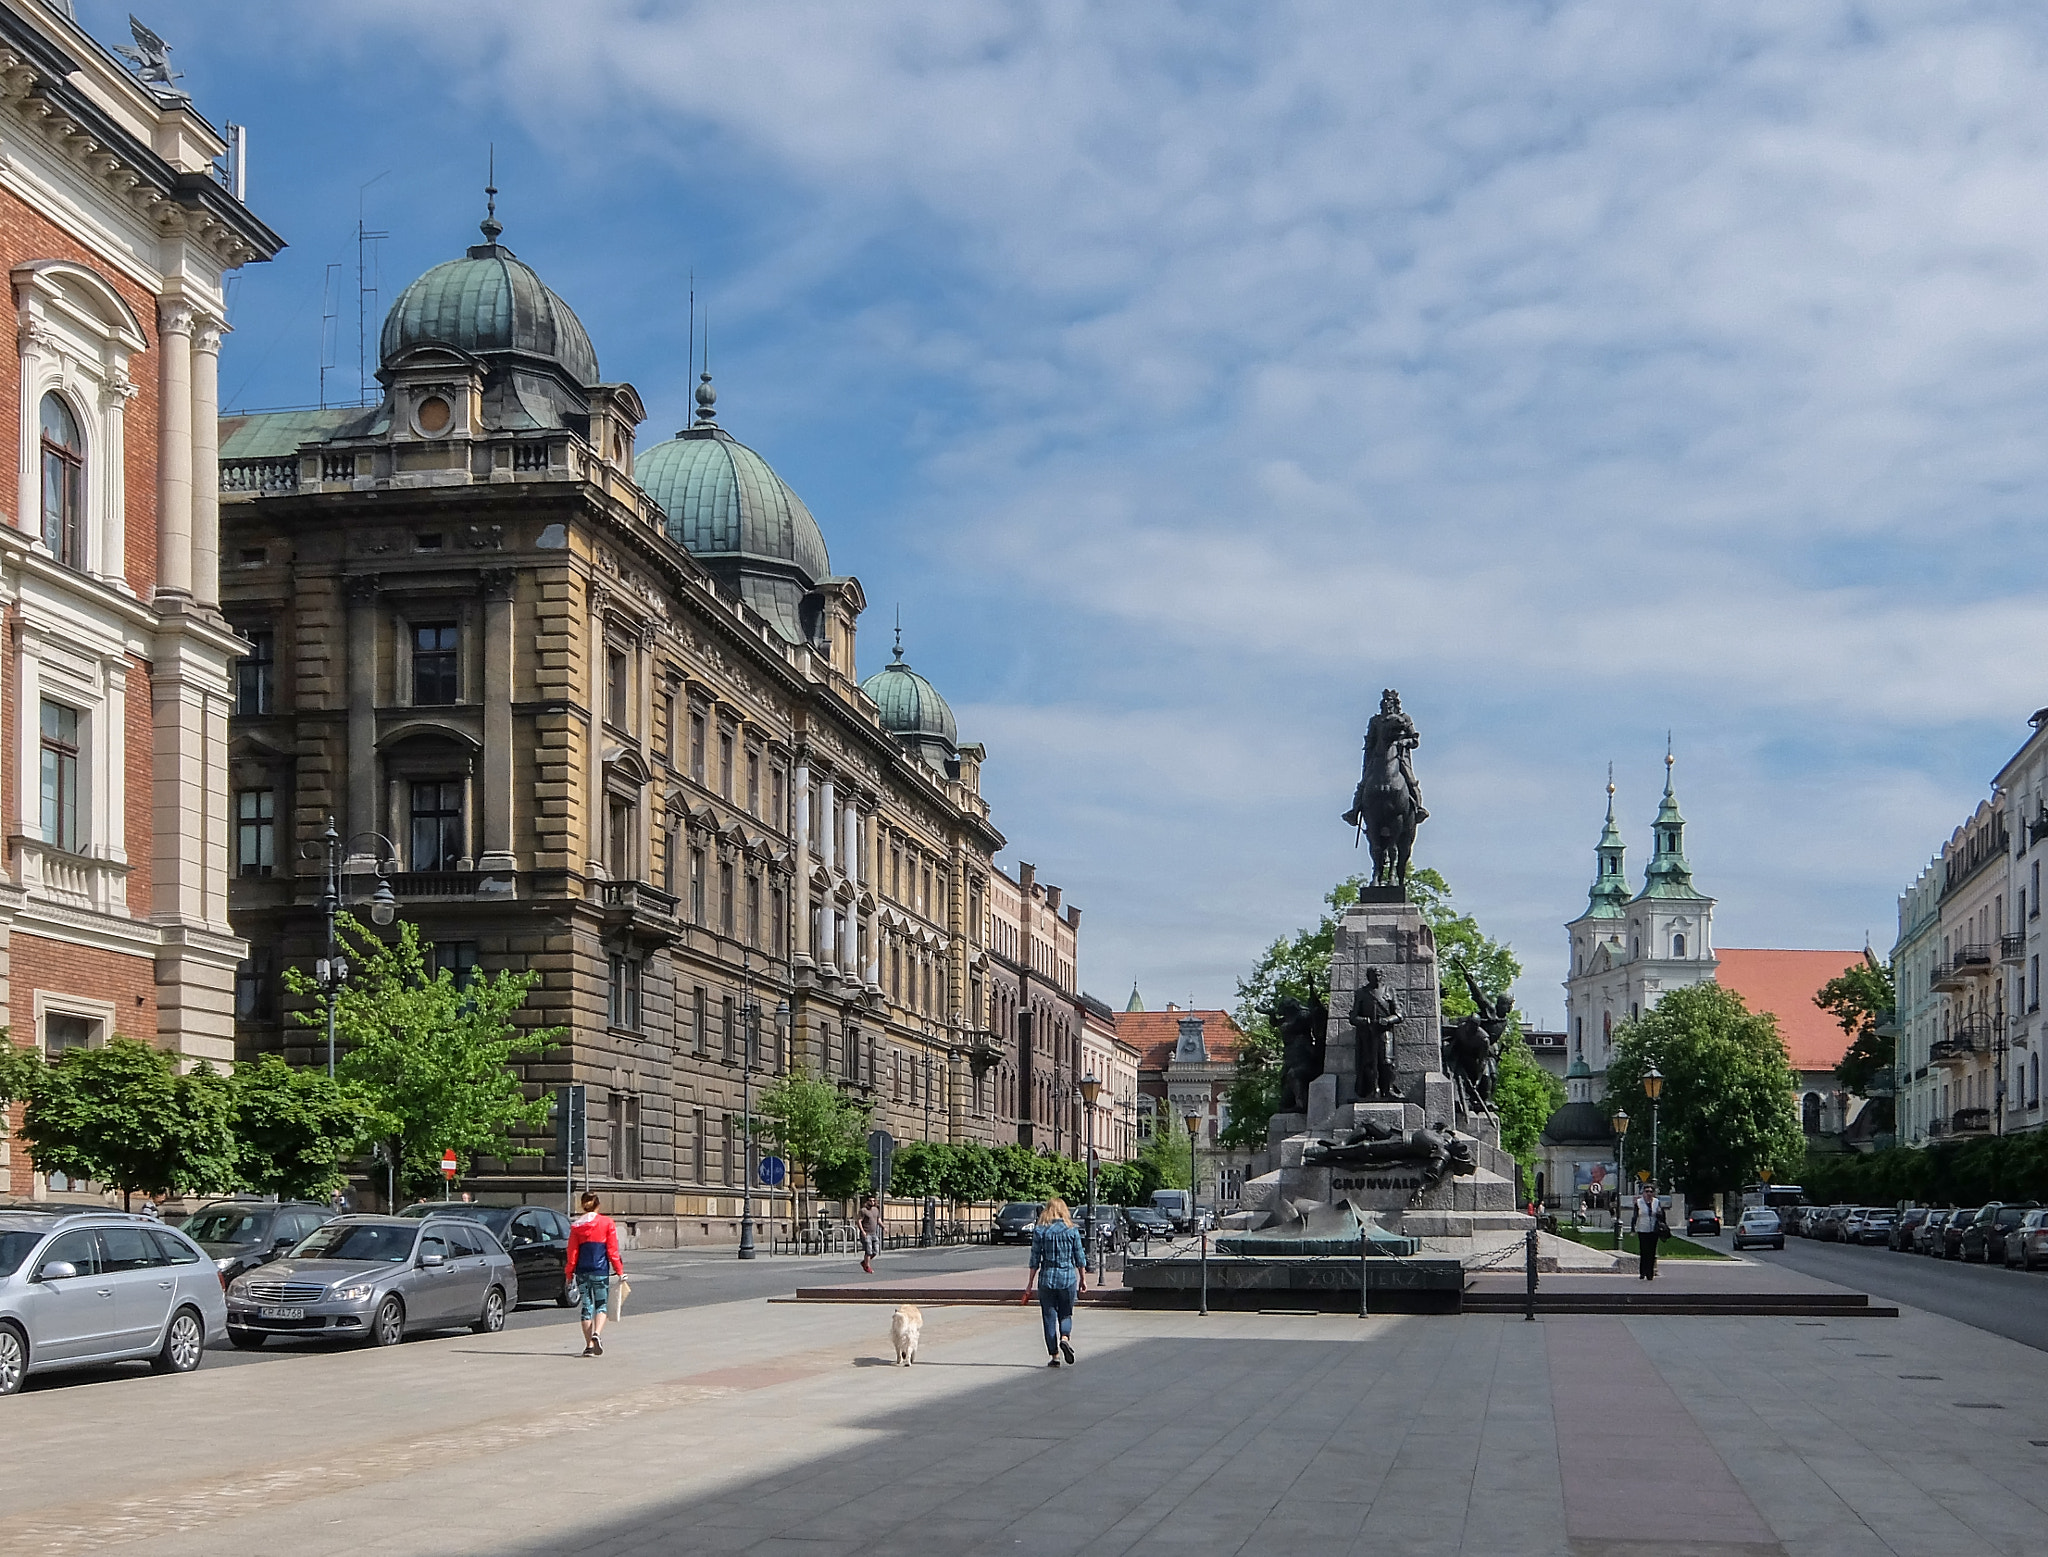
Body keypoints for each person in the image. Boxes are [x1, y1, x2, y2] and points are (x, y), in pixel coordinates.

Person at [1020, 1198, 1087, 1366]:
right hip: (1067, 1277)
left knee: (1049, 1317)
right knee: (1066, 1313)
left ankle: (1054, 1356)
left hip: (1047, 1278)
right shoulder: (1072, 1231)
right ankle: (1064, 1337)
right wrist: (1083, 1280)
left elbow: (1034, 1260)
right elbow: (1080, 1258)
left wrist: (1029, 1284)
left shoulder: (1040, 1231)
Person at [564, 1191, 626, 1357]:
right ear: (598, 1205)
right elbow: (612, 1250)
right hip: (600, 1270)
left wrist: (569, 1272)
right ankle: (597, 1333)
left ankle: (589, 1346)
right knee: (601, 1305)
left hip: (582, 1271)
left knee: (586, 1306)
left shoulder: (576, 1226)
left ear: (583, 1205)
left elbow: (572, 1252)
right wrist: (619, 1270)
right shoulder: (606, 1223)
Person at [1631, 1185, 1666, 1280]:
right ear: (1643, 1193)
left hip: (1654, 1230)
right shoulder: (1639, 1202)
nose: (1649, 1193)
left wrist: (1663, 1226)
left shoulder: (1656, 1202)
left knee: (1652, 1251)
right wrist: (1633, 1229)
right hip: (1643, 1229)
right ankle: (1643, 1272)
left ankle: (1650, 1273)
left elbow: (1662, 1215)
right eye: (1647, 1191)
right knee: (1644, 1251)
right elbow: (1635, 1216)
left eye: (1651, 1191)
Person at [857, 1196, 883, 1274]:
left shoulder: (876, 1210)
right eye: (870, 1201)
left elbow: (878, 1220)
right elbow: (859, 1221)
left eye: (873, 1201)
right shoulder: (863, 1211)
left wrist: (883, 1227)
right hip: (866, 1234)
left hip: (874, 1233)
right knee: (868, 1251)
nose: (872, 1202)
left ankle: (864, 1262)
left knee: (875, 1251)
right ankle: (867, 1266)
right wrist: (862, 1231)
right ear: (867, 1202)